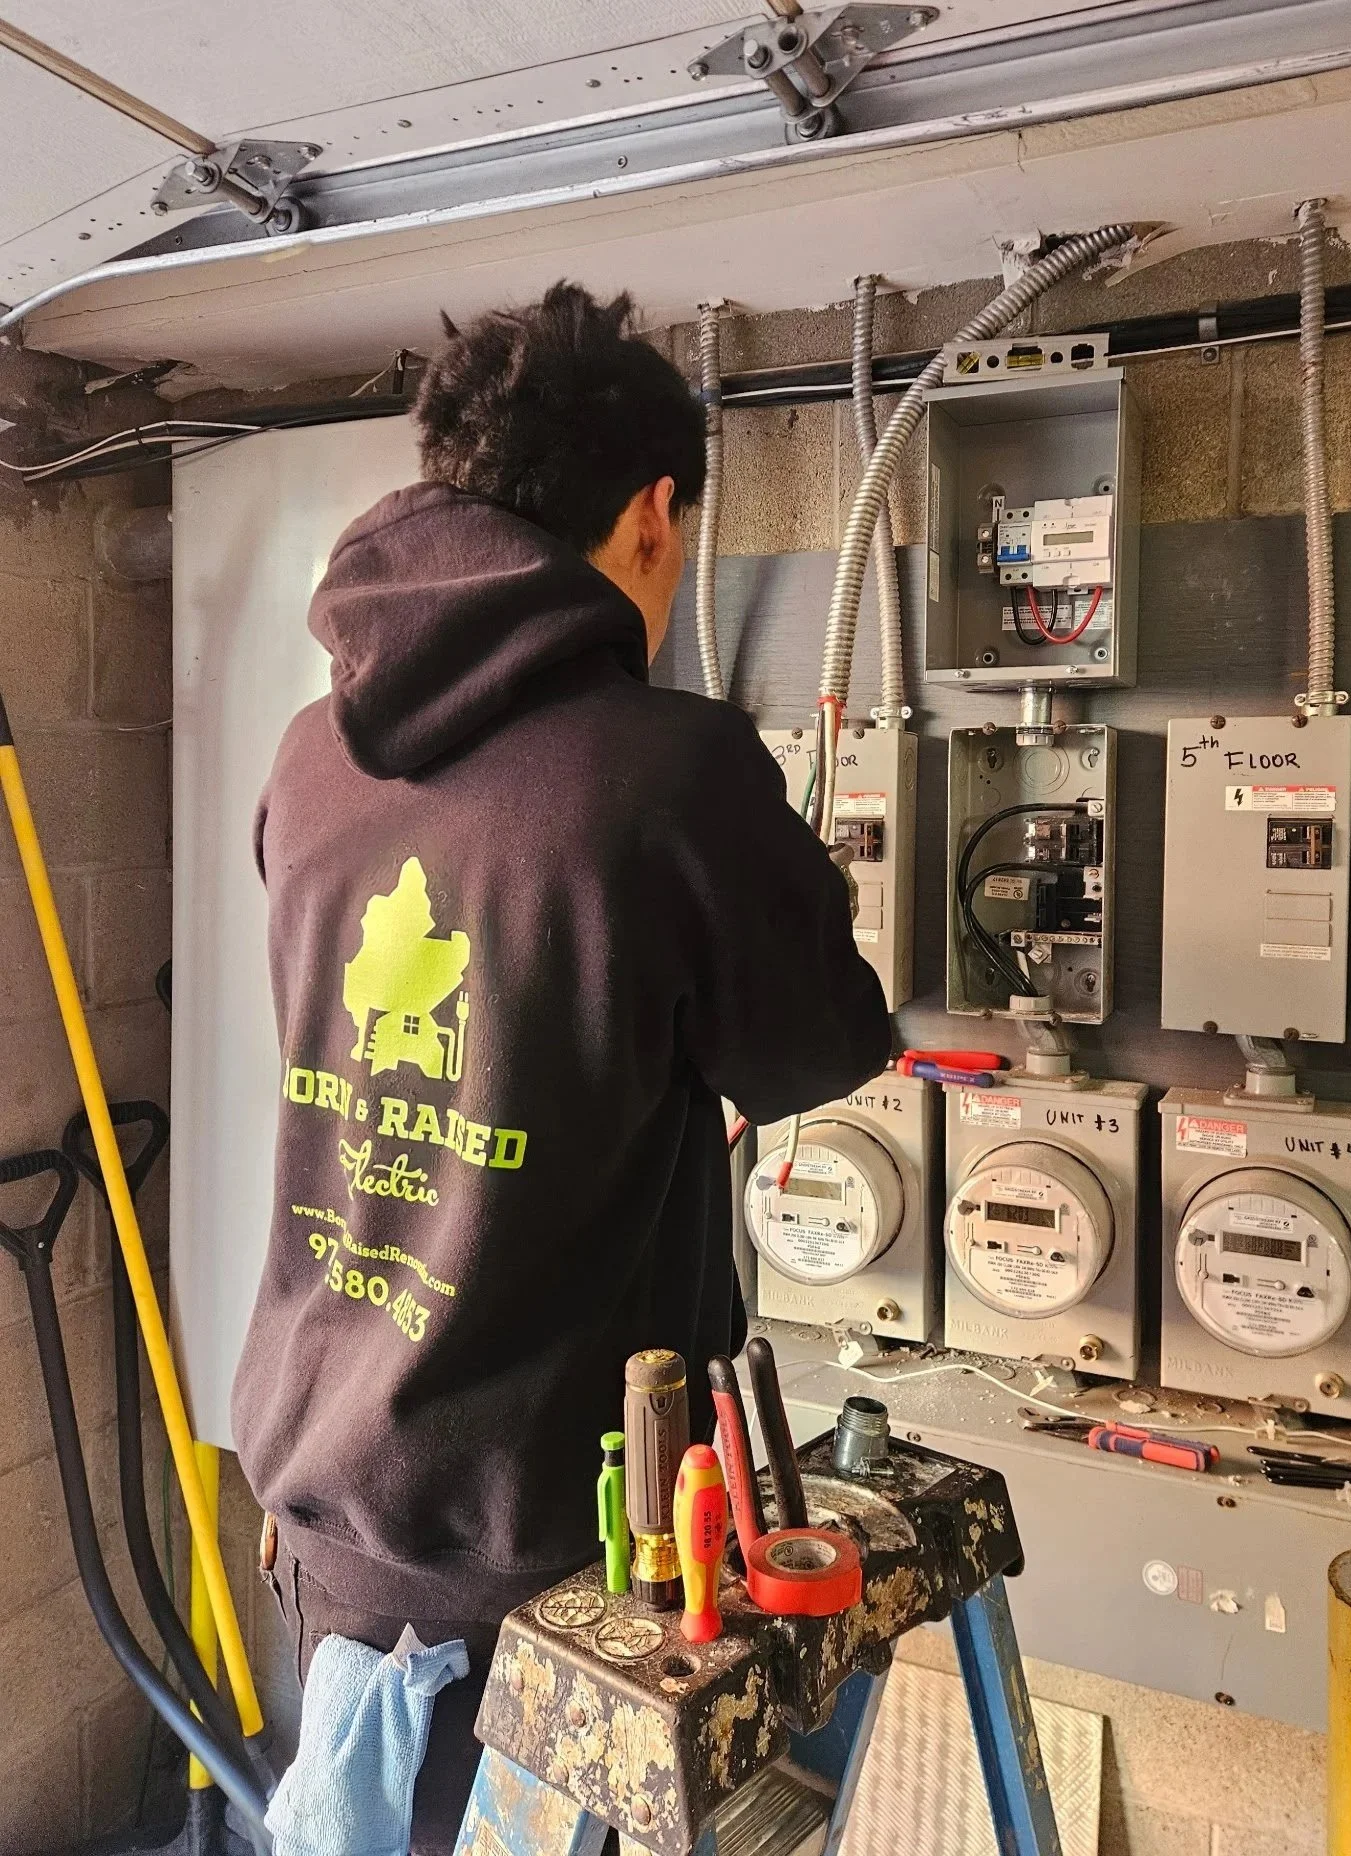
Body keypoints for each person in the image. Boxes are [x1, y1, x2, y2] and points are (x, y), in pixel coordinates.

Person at [233, 282, 892, 1850]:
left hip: (324, 1512)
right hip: (562, 1557)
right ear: (654, 516)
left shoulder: (307, 756)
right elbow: (818, 1047)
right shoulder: (672, 772)